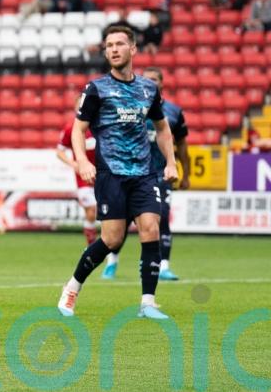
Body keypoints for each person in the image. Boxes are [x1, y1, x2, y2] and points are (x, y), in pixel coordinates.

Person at [56, 26, 178, 320]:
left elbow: (162, 128)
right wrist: (83, 162)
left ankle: (148, 302)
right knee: (112, 239)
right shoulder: (96, 89)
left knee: (151, 228)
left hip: (145, 173)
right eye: (109, 44)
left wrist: (171, 162)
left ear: (133, 49)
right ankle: (72, 287)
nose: (113, 49)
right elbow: (78, 129)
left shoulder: (149, 89)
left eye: (120, 44)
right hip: (111, 174)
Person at [103, 67, 191, 281]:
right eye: (147, 79)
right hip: (132, 172)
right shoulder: (132, 106)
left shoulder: (173, 112)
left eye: (154, 80)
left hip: (160, 173)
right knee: (121, 220)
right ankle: (112, 262)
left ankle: (163, 266)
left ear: (161, 84)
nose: (150, 82)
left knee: (162, 217)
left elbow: (181, 146)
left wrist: (185, 173)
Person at [56, 99, 98, 246]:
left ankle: (104, 245)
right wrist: (73, 164)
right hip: (83, 178)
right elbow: (59, 152)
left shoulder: (99, 126)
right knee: (92, 210)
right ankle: (91, 244)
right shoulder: (71, 128)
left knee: (104, 213)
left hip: (102, 175)